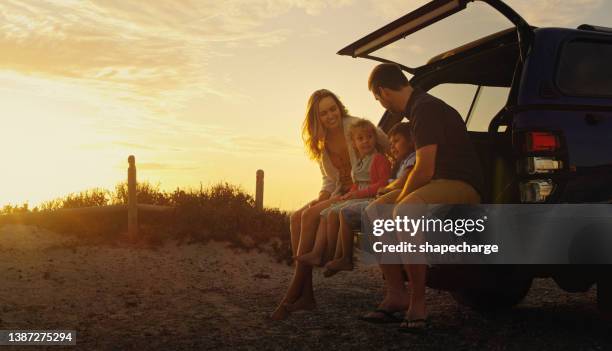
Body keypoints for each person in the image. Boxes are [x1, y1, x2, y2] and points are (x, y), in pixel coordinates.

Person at [364, 63, 484, 331]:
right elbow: (421, 171)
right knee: (374, 212)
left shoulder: (425, 108)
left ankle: (418, 304)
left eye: (378, 99)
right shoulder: (417, 109)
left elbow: (424, 168)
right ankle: (396, 295)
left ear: (383, 91)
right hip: (436, 181)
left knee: (403, 213)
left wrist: (401, 197)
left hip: (460, 184)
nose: (383, 105)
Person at [271, 89, 388, 321]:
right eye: (323, 113)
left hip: (358, 191)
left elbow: (383, 141)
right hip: (340, 191)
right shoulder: (322, 142)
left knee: (309, 216)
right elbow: (328, 179)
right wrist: (322, 195)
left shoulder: (354, 126)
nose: (330, 115)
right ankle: (308, 296)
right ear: (317, 117)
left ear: (339, 108)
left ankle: (294, 292)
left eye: (333, 109)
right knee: (297, 216)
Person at [296, 118, 390, 271]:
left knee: (338, 213)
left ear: (375, 138)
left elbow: (383, 184)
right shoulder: (359, 161)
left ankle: (339, 256)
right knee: (327, 212)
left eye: (369, 137)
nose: (365, 141)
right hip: (357, 196)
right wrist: (349, 194)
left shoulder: (379, 159)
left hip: (370, 198)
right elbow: (356, 183)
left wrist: (358, 193)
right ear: (353, 143)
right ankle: (320, 252)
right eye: (360, 138)